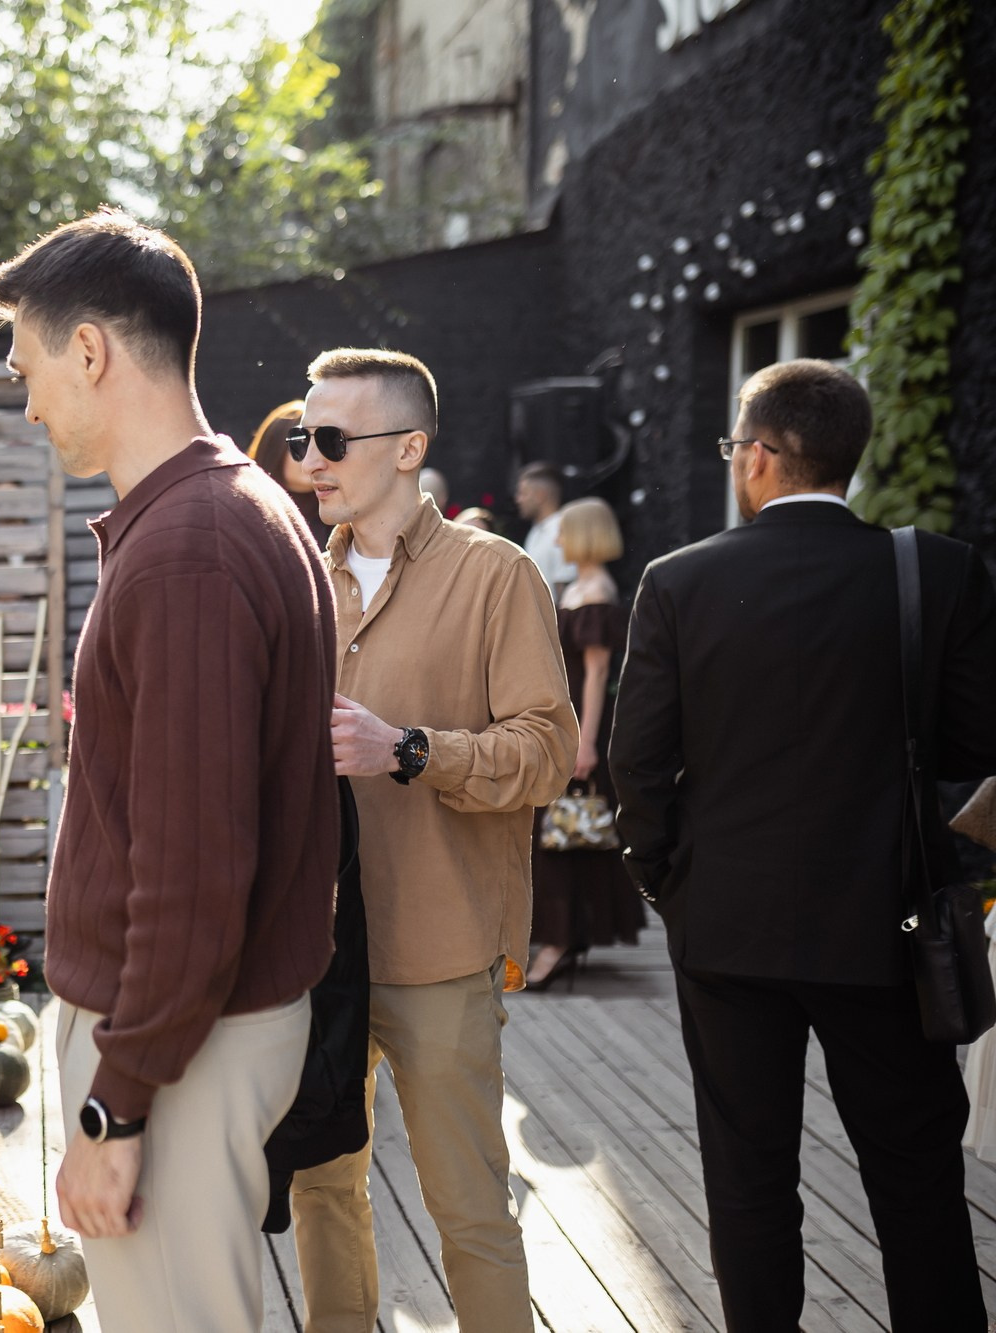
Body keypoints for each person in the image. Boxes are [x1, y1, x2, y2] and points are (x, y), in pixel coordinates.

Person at [0, 209, 341, 1331]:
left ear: (88, 351)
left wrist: (114, 1107)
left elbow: (192, 867)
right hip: (193, 1030)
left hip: (180, 1046)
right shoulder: (222, 512)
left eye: (28, 369)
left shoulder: (192, 548)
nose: (29, 403)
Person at [611, 358, 996, 1332]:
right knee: (916, 1176)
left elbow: (638, 765)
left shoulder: (677, 580)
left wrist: (668, 884)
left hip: (724, 925)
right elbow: (971, 745)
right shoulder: (936, 570)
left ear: (757, 456)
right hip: (887, 922)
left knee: (747, 1179)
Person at [286, 348, 577, 1333]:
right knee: (321, 1188)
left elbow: (548, 753)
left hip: (441, 947)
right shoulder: (296, 579)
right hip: (317, 951)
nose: (309, 459)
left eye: (331, 439)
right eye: (304, 437)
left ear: (408, 448)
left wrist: (408, 749)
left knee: (468, 1207)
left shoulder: (497, 575)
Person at [525, 497, 644, 989]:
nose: (556, 539)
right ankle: (562, 937)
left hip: (579, 727)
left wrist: (586, 742)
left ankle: (559, 942)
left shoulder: (596, 591)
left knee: (565, 836)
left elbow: (597, 675)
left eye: (564, 530)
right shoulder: (580, 587)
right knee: (562, 834)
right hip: (565, 722)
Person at [246, 398, 332, 547]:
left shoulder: (340, 521)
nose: (314, 458)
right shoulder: (243, 512)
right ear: (274, 447)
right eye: (301, 445)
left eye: (322, 446)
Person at [515, 460, 576, 596]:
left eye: (523, 493)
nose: (518, 499)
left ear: (540, 495)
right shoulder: (535, 531)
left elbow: (565, 585)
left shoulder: (563, 530)